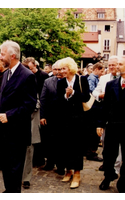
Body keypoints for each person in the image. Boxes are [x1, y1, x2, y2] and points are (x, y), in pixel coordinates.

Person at [0, 40, 37, 193]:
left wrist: (9, 116)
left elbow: (30, 105)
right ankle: (8, 190)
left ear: (12, 55)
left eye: (2, 54)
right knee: (5, 164)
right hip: (4, 129)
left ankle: (14, 192)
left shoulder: (27, 76)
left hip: (17, 131)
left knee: (15, 167)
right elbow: (3, 101)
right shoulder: (6, 74)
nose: (0, 56)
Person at [56, 57, 90, 189]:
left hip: (79, 120)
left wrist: (74, 93)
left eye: (63, 68)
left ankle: (77, 173)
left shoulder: (82, 80)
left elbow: (86, 97)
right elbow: (58, 100)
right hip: (65, 120)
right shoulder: (60, 83)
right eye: (60, 69)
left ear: (70, 69)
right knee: (66, 146)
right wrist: (66, 96)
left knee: (77, 147)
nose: (61, 71)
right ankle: (68, 170)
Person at [97, 55, 125, 192]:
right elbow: (105, 106)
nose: (117, 66)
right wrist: (100, 124)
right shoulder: (111, 84)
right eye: (117, 64)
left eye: (120, 64)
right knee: (109, 154)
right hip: (113, 124)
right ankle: (108, 177)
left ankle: (123, 181)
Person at [92, 56, 122, 173]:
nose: (111, 67)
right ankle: (107, 163)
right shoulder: (104, 78)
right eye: (109, 65)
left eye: (113, 65)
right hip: (106, 113)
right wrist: (100, 95)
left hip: (119, 117)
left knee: (119, 146)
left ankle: (116, 167)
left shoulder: (122, 78)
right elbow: (95, 91)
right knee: (105, 142)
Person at [39, 59, 65, 175]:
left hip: (63, 117)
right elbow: (43, 99)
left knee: (61, 142)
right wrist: (43, 116)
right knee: (49, 141)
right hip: (50, 116)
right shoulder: (48, 82)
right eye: (56, 69)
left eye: (60, 69)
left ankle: (61, 165)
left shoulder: (67, 81)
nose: (58, 71)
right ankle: (50, 162)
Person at [84, 62, 105, 162]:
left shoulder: (95, 78)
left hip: (94, 108)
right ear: (96, 69)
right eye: (101, 70)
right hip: (93, 108)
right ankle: (91, 152)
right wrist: (101, 94)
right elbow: (91, 91)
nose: (103, 72)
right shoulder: (92, 78)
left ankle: (91, 151)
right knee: (92, 132)